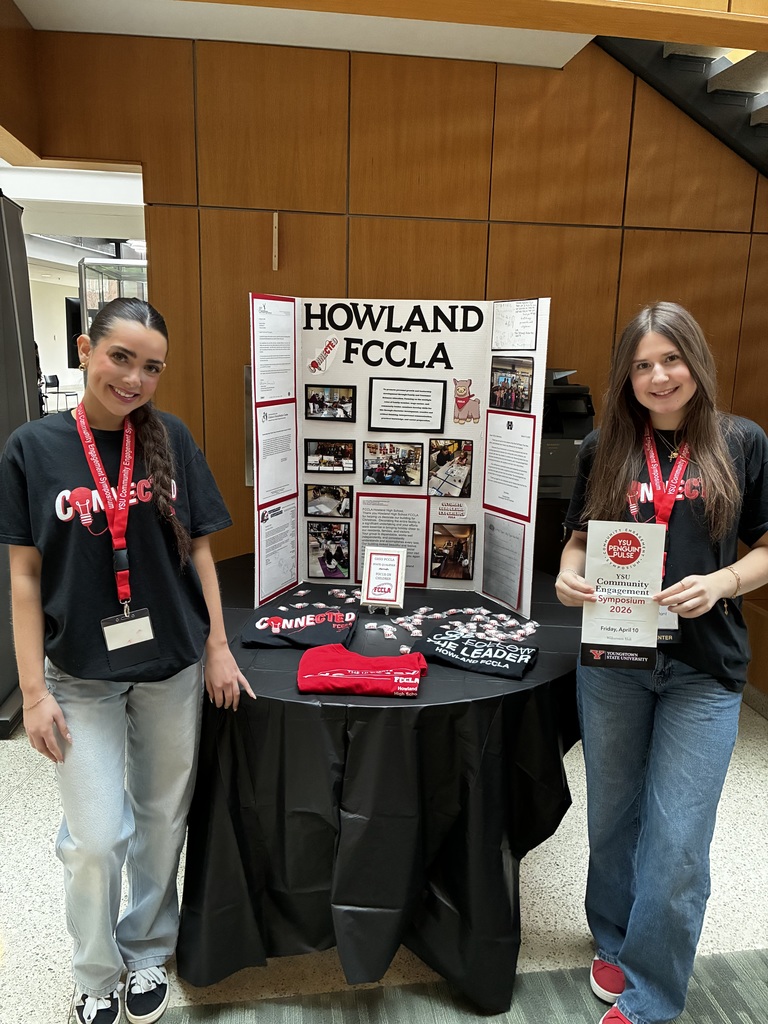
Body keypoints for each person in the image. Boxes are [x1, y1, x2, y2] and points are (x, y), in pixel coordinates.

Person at [0, 297, 255, 1024]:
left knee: (161, 816)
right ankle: (93, 969)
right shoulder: (32, 448)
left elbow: (200, 549)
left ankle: (146, 947)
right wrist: (32, 693)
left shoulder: (168, 437)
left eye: (151, 367)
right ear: (85, 349)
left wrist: (216, 648)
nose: (135, 378)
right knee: (95, 836)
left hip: (171, 664)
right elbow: (22, 578)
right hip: (77, 674)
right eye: (121, 358)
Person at [555, 302, 768, 1024]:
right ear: (627, 375)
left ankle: (650, 998)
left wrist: (723, 581)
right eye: (643, 364)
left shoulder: (741, 443)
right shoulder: (602, 448)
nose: (658, 375)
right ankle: (613, 939)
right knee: (613, 818)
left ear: (695, 360)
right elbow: (579, 539)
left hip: (704, 670)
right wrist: (566, 573)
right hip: (614, 658)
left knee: (678, 839)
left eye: (670, 358)